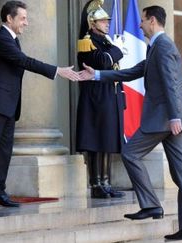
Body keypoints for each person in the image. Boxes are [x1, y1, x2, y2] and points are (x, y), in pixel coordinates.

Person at [78, 5, 182, 241]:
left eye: (143, 21)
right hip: (171, 119)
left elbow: (172, 82)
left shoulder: (162, 46)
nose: (140, 24)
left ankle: (151, 205)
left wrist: (174, 116)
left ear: (153, 21)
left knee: (130, 153)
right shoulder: (157, 46)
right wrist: (96, 75)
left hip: (164, 120)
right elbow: (135, 71)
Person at [0, 0, 79, 209]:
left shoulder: (11, 39)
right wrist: (57, 70)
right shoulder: (1, 39)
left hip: (7, 105)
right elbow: (25, 61)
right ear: (9, 19)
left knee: (3, 152)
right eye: (23, 18)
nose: (26, 23)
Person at [76, 0, 125, 198]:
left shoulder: (105, 42)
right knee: (96, 140)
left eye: (107, 20)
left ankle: (106, 181)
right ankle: (96, 183)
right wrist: (118, 51)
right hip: (96, 95)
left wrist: (113, 52)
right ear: (92, 23)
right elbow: (103, 62)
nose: (107, 23)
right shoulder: (87, 41)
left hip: (109, 93)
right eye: (102, 21)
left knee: (107, 138)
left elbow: (108, 61)